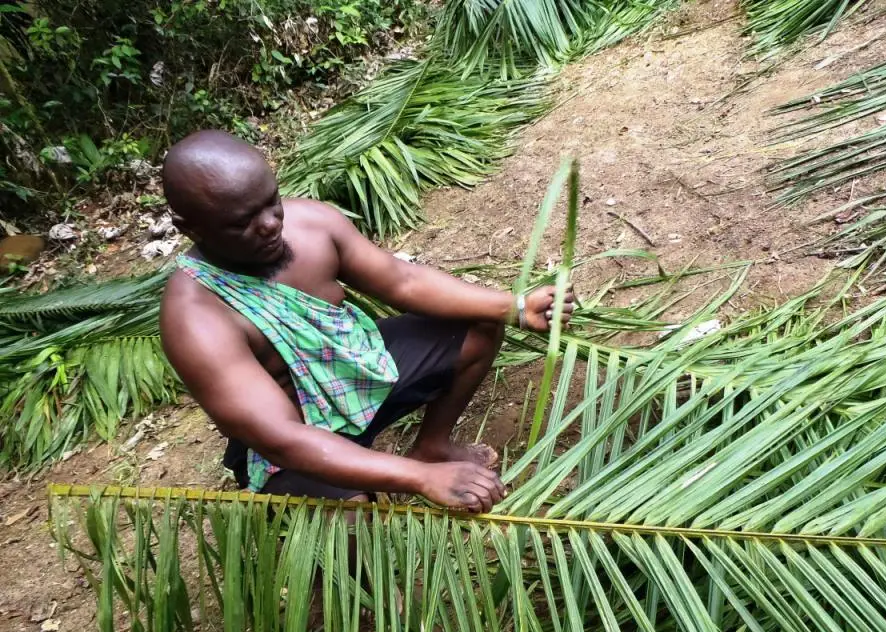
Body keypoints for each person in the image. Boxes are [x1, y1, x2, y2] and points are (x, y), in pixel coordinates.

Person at [159, 130, 574, 513]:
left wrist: (516, 306)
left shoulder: (311, 224)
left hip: (358, 370)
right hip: (298, 437)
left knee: (478, 323)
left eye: (271, 201)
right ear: (189, 227)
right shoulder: (195, 319)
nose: (270, 224)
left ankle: (432, 447)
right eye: (242, 222)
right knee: (352, 517)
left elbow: (402, 280)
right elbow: (282, 438)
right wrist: (419, 479)